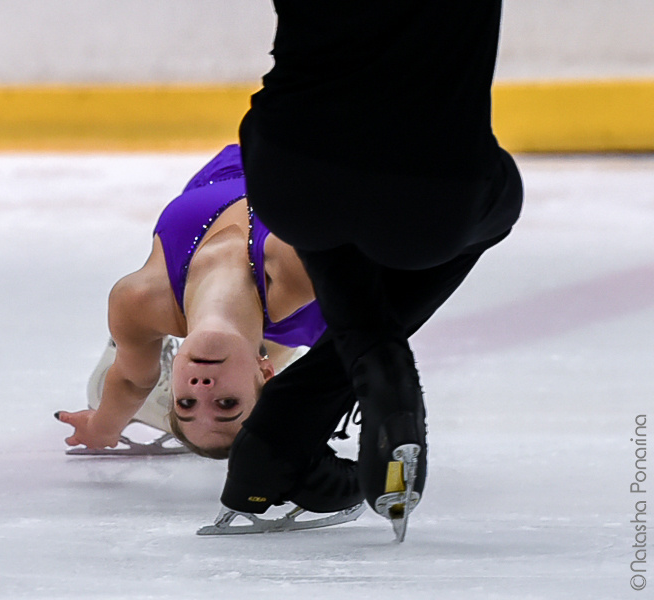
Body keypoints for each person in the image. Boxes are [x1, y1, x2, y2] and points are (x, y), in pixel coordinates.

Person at [217, 0, 524, 540]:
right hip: (432, 200)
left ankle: (364, 372)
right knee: (501, 197)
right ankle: (317, 401)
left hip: (289, 177)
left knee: (311, 159)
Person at [55, 145, 328, 459]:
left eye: (186, 403)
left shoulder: (139, 301)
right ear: (265, 374)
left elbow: (132, 380)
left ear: (173, 378)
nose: (202, 386)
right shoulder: (296, 274)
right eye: (227, 403)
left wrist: (103, 426)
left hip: (240, 165)